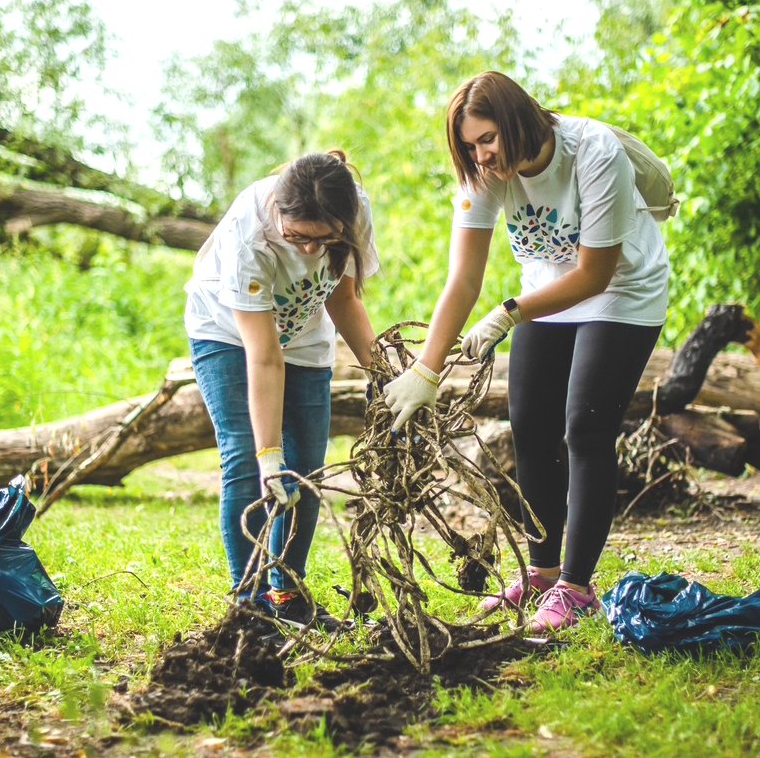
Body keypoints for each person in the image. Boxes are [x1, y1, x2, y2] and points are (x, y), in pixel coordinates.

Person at [383, 71, 669, 634]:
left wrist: (508, 312)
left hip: (622, 292)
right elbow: (463, 279)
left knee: (585, 428)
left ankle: (577, 588)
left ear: (516, 123)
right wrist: (427, 369)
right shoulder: (485, 174)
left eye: (487, 139)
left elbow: (595, 273)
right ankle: (542, 570)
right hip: (547, 291)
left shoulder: (592, 151)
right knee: (530, 425)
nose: (480, 156)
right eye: (468, 146)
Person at [184, 150, 379, 632]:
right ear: (278, 214)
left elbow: (344, 298)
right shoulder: (250, 232)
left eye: (324, 240)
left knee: (307, 471)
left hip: (306, 337)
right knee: (246, 458)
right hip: (227, 334)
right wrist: (268, 453)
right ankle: (248, 607)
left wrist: (386, 376)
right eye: (298, 238)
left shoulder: (355, 209)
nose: (311, 252)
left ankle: (287, 594)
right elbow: (264, 355)